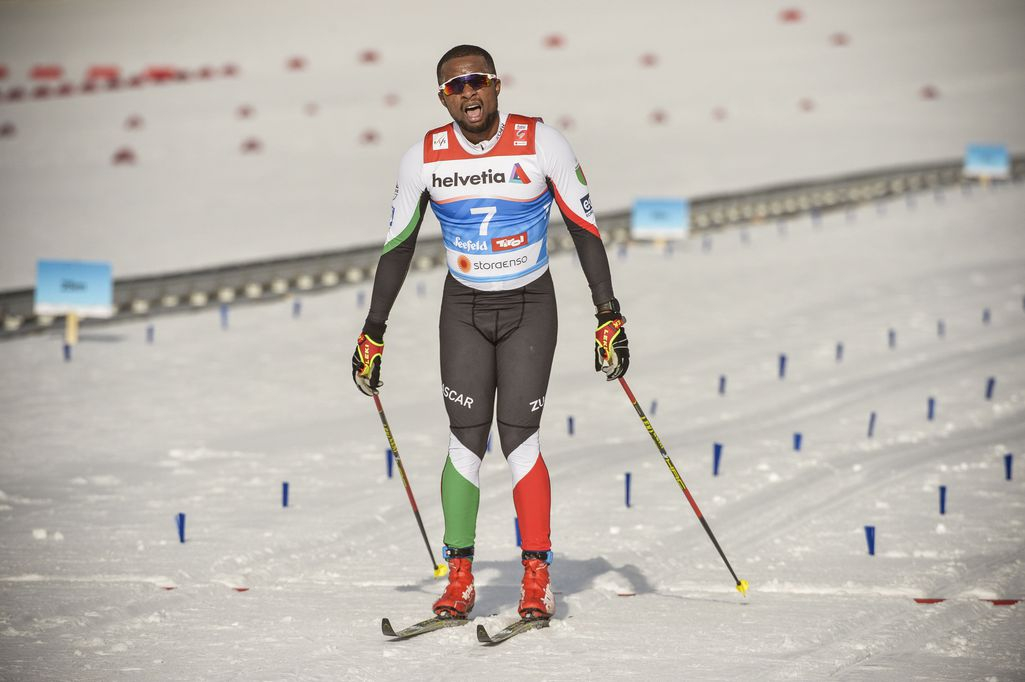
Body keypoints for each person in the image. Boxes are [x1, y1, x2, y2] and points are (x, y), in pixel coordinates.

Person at [351, 44, 630, 621]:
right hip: (463, 310)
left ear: (497, 85)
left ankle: (535, 577)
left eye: (476, 82)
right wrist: (373, 331)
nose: (467, 94)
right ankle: (459, 580)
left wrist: (608, 314)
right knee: (465, 440)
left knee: (519, 439)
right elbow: (397, 248)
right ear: (442, 96)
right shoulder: (424, 157)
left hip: (529, 304)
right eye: (454, 86)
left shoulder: (542, 143)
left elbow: (584, 231)